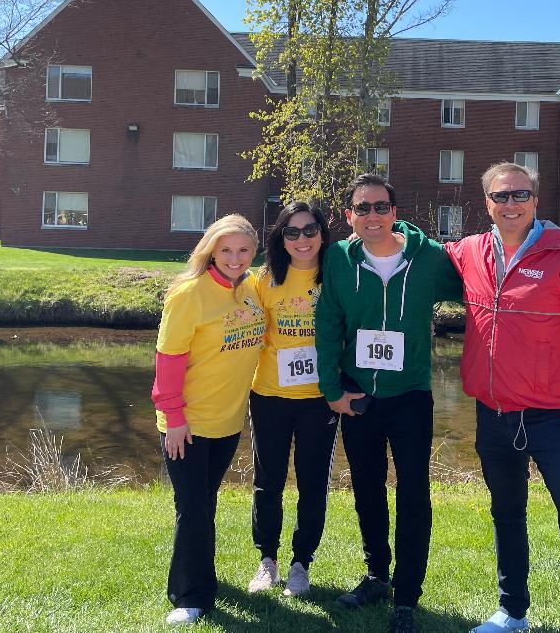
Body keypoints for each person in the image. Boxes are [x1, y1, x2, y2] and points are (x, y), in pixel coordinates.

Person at [444, 162, 560, 633]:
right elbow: (417, 251)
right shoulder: (470, 251)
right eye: (501, 196)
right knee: (506, 513)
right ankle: (512, 611)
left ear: (535, 201)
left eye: (520, 195)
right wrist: (378, 229)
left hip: (554, 418)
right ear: (487, 204)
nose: (511, 204)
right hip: (493, 414)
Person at [315, 173, 462, 633]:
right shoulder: (338, 259)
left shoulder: (428, 257)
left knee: (414, 493)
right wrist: (332, 390)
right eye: (363, 208)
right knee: (367, 487)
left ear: (395, 213)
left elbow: (477, 289)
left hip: (410, 395)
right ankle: (377, 575)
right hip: (359, 395)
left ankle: (407, 596)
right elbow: (327, 322)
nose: (372, 215)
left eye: (381, 206)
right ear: (349, 216)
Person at [150, 214, 266, 626]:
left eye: (243, 250)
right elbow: (167, 361)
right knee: (193, 507)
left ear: (254, 251)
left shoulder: (252, 287)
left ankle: (202, 575)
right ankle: (190, 595)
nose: (235, 258)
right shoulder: (189, 294)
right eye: (226, 250)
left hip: (228, 422)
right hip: (188, 424)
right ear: (210, 251)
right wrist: (174, 418)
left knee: (204, 502)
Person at [246, 203, 337, 598]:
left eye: (310, 230)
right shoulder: (264, 280)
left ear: (322, 234)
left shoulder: (336, 275)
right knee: (268, 480)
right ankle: (267, 559)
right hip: (269, 395)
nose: (302, 239)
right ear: (280, 239)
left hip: (320, 399)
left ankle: (301, 563)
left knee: (313, 483)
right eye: (292, 232)